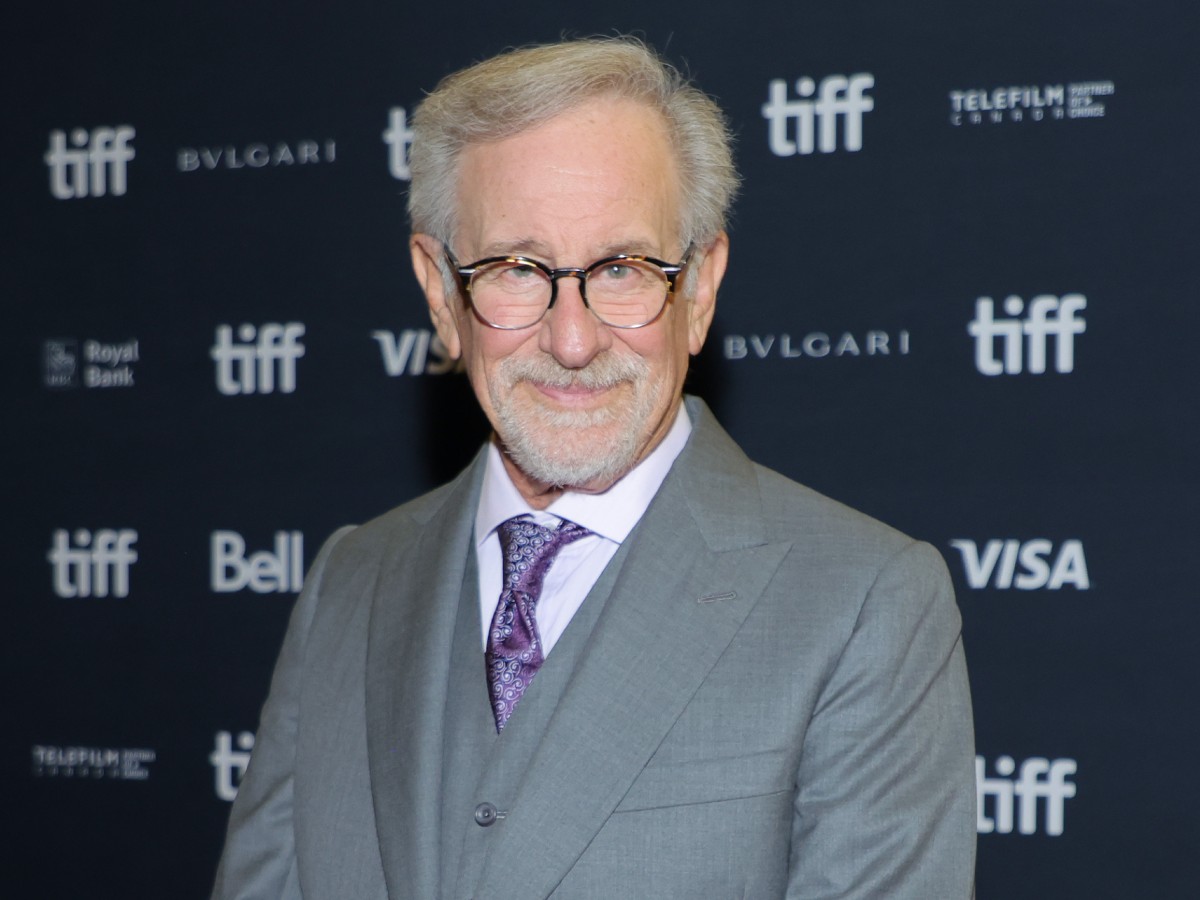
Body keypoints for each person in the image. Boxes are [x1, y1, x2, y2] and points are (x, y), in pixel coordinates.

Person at [212, 36, 976, 899]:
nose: (571, 341)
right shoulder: (349, 583)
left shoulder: (863, 603)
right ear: (439, 293)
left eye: (622, 269)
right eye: (515, 269)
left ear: (701, 289)